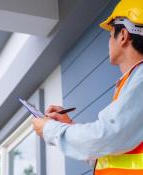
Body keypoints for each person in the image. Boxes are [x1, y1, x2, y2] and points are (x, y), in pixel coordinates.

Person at [32, 0, 143, 174]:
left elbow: (107, 136)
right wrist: (69, 127)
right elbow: (110, 150)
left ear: (123, 36)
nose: (108, 42)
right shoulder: (133, 82)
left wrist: (50, 129)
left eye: (110, 34)